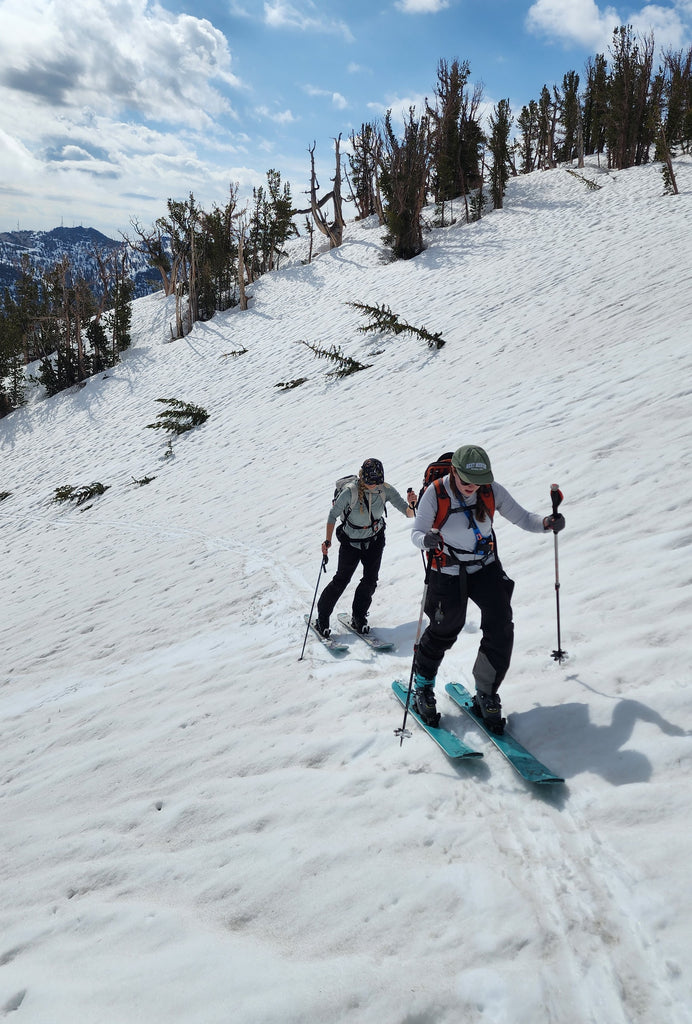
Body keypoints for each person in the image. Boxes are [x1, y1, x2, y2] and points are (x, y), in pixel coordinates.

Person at [410, 444, 565, 732]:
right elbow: (417, 533)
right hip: (447, 570)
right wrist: (426, 541)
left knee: (501, 625)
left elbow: (523, 518)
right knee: (445, 629)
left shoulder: (490, 489)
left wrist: (547, 523)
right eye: (467, 482)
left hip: (485, 566)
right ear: (454, 472)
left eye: (478, 483)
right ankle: (422, 686)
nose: (473, 488)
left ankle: (486, 692)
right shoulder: (436, 493)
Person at [315, 458, 416, 637]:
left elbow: (408, 513)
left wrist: (412, 504)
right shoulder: (350, 492)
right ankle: (322, 618)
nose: (373, 485)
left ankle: (359, 616)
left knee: (370, 581)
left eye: (377, 480)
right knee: (341, 580)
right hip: (351, 543)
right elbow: (332, 516)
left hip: (375, 541)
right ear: (363, 477)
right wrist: (327, 541)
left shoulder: (385, 490)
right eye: (370, 480)